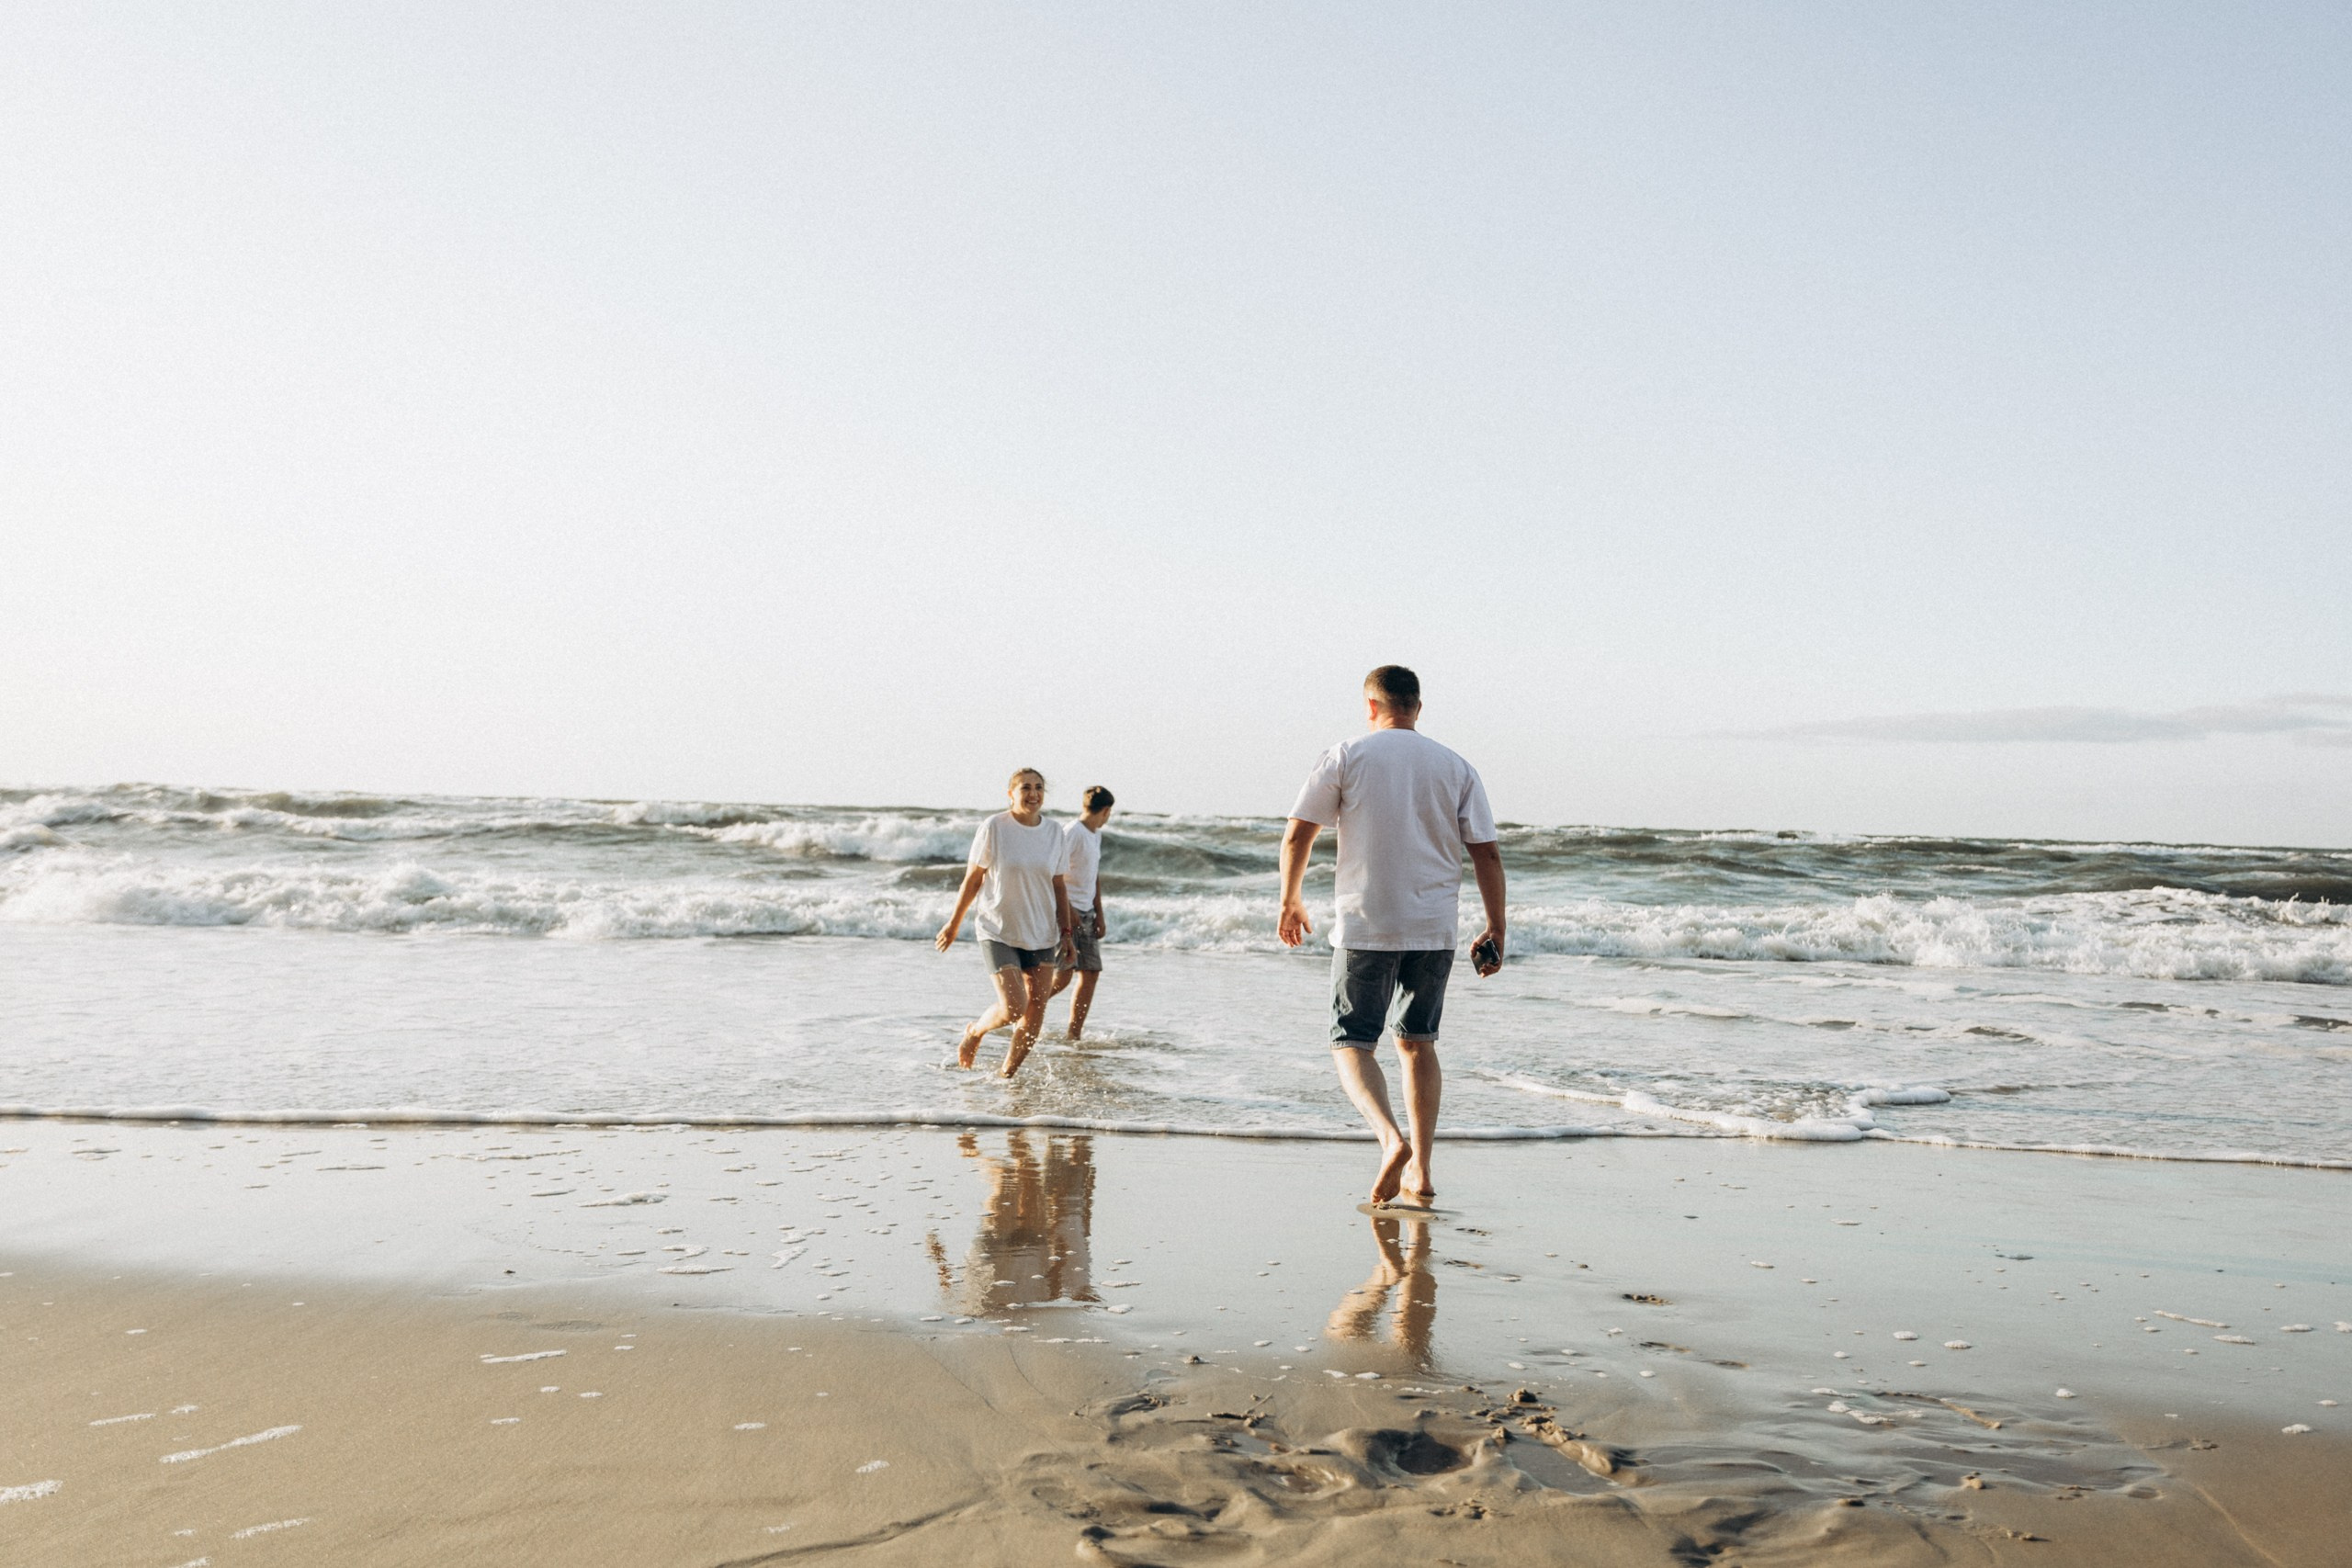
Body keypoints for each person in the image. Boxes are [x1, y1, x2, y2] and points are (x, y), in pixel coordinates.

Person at [1277, 665, 1505, 1209]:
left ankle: (1388, 1139)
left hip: (1365, 923)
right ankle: (1422, 1172)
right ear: (1417, 708)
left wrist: (1291, 899)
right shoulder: (1455, 765)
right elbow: (1487, 853)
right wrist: (1496, 926)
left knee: (1352, 1041)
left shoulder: (1346, 755)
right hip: (1433, 929)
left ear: (1370, 707)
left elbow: (1298, 833)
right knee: (1417, 1042)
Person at [935, 768, 1076, 1078]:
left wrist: (1066, 934)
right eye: (1025, 787)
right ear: (1010, 794)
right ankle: (975, 1031)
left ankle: (1006, 1077)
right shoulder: (994, 828)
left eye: (1039, 788)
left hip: (1041, 932)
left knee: (1035, 1012)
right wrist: (953, 924)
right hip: (997, 928)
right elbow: (973, 879)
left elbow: (1059, 885)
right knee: (1014, 1007)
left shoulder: (1054, 832)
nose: (1033, 794)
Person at [1048, 784, 1114, 1039]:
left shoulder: (1095, 834)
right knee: (1063, 975)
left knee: (1091, 973)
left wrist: (1100, 913)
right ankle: (1024, 1006)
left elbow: (1093, 876)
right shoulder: (1072, 833)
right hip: (1068, 912)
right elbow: (1054, 871)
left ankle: (1073, 1033)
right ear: (1106, 811)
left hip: (1088, 913)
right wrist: (1067, 908)